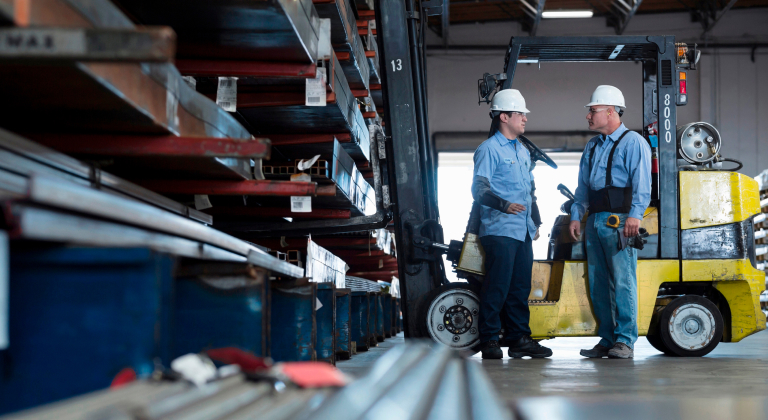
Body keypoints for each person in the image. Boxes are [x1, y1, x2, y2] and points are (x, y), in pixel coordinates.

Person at [569, 85, 651, 359]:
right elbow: (583, 188)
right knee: (598, 282)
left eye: (593, 110)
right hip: (594, 221)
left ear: (611, 111)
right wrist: (576, 215)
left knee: (623, 280)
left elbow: (642, 184)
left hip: (620, 221)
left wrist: (635, 217)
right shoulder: (592, 147)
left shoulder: (633, 142)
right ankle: (607, 338)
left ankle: (625, 340)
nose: (588, 116)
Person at [472, 89, 552, 359]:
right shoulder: (489, 149)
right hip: (499, 230)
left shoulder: (522, 150)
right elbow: (478, 189)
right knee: (498, 286)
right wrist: (504, 205)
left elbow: (530, 190)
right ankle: (490, 340)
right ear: (504, 116)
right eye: (520, 114)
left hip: (522, 231)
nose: (525, 119)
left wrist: (536, 220)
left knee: (520, 288)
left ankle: (519, 339)